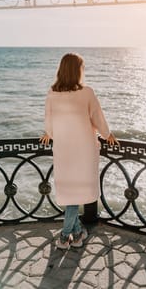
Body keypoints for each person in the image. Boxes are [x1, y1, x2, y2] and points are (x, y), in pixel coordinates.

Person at [40, 53, 118, 249]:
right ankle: (65, 236)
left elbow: (49, 119)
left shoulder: (52, 92)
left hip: (64, 149)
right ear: (77, 70)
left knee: (69, 191)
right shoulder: (87, 92)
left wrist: (48, 133)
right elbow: (97, 117)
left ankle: (77, 233)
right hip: (83, 149)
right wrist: (107, 134)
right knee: (75, 193)